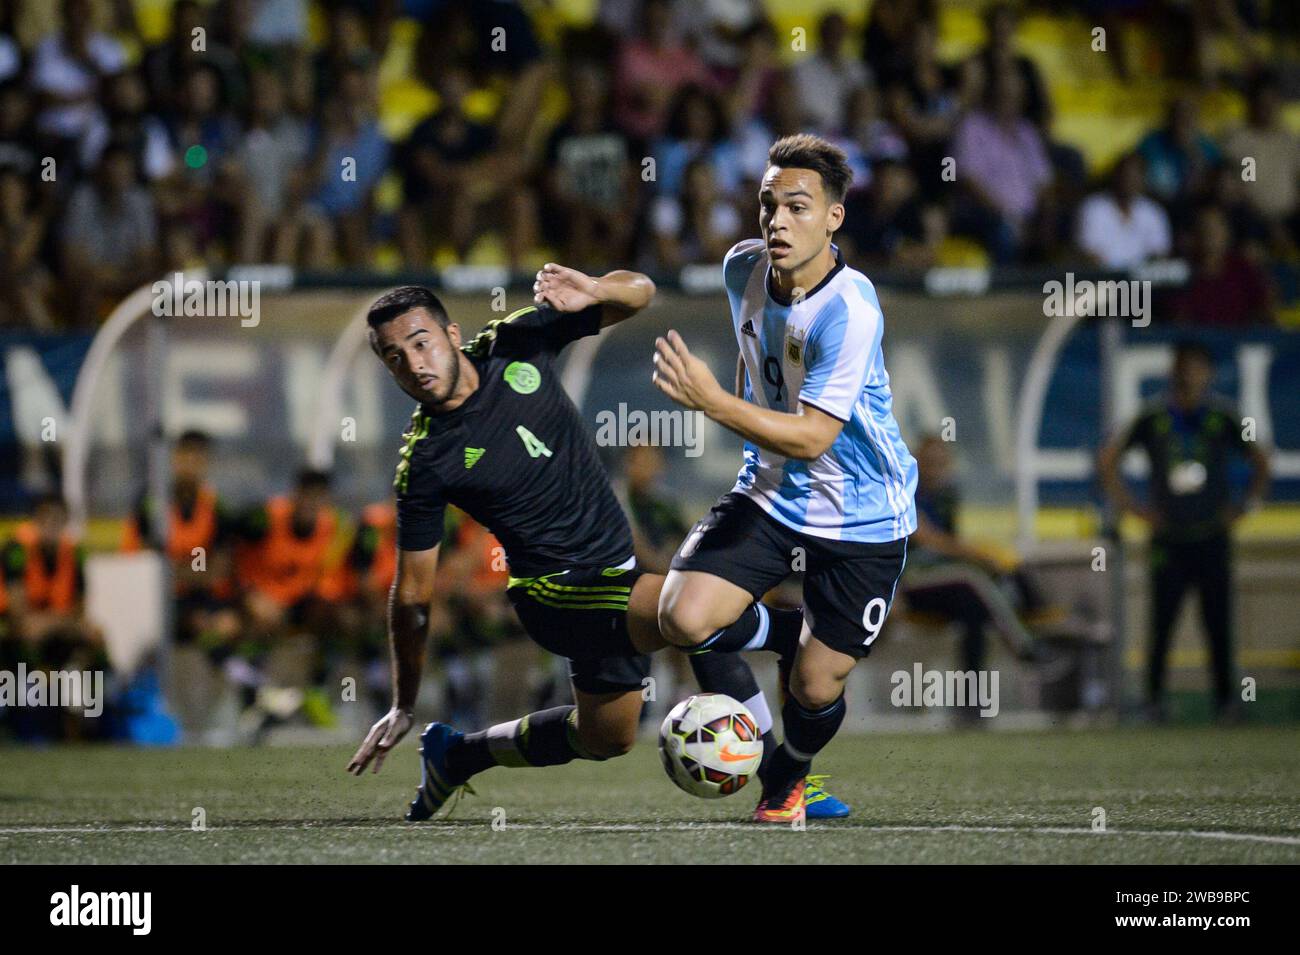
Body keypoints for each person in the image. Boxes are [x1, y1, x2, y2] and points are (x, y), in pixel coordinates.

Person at [346, 275, 849, 821]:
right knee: (697, 618)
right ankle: (782, 773)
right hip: (556, 595)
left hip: (618, 574)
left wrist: (592, 288)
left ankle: (458, 754)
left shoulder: (515, 342)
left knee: (605, 736)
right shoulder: (424, 462)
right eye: (394, 358)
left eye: (420, 342)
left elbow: (639, 293)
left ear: (450, 332)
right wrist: (403, 703)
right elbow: (413, 596)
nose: (414, 364)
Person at [650, 134, 917, 823]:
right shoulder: (741, 267)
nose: (775, 219)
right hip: (771, 492)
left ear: (834, 217)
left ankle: (789, 774)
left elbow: (814, 435)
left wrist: (713, 403)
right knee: (682, 616)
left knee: (815, 681)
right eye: (768, 204)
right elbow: (755, 358)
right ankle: (780, 771)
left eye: (797, 207)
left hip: (862, 514)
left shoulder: (849, 309)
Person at [1099, 340, 1271, 722]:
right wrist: (1135, 509)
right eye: (1183, 366)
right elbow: (1109, 459)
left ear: (1208, 372)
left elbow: (1261, 458)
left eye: (1197, 367)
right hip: (1169, 538)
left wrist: (1245, 505)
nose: (1190, 375)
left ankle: (1226, 702)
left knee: (1218, 623)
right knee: (1161, 623)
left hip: (1212, 534)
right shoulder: (1154, 417)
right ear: (1173, 370)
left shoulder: (1223, 416)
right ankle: (1153, 701)